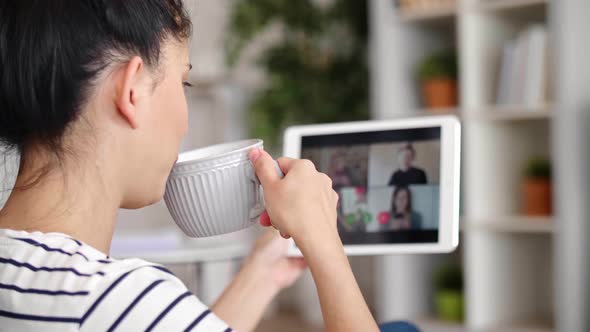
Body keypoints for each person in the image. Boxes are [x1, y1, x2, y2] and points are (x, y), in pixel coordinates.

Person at [0, 1, 378, 331]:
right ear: (130, 92)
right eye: (184, 83)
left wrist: (264, 273)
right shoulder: (115, 296)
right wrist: (325, 245)